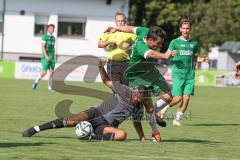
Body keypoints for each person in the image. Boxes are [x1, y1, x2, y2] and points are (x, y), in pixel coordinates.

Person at [23, 59, 150, 142]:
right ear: (134, 91)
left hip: (106, 126)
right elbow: (106, 81)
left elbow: (137, 123)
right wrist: (101, 67)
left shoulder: (139, 107)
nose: (137, 99)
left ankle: (91, 137)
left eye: (140, 98)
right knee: (71, 121)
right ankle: (36, 129)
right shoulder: (124, 90)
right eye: (136, 96)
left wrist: (143, 138)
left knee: (122, 135)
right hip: (96, 112)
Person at [104, 25, 176, 140]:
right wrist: (164, 55)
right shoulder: (141, 46)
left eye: (161, 44)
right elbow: (151, 54)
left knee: (168, 97)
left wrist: (115, 27)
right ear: (150, 40)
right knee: (148, 107)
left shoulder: (146, 31)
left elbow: (130, 28)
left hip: (150, 71)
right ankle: (155, 132)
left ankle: (154, 115)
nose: (159, 46)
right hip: (136, 76)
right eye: (157, 44)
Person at [156, 18, 209, 127]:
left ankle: (177, 119)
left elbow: (194, 58)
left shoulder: (194, 43)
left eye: (187, 28)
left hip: (190, 75)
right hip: (178, 74)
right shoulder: (175, 42)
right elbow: (166, 55)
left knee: (187, 98)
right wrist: (171, 54)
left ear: (190, 29)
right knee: (177, 98)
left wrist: (203, 60)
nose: (185, 30)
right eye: (183, 28)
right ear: (180, 29)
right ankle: (164, 109)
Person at [98, 12, 136, 85]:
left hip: (126, 63)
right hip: (113, 63)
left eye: (122, 21)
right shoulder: (110, 32)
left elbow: (139, 42)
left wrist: (130, 46)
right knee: (116, 87)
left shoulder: (129, 33)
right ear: (115, 22)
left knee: (125, 88)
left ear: (125, 21)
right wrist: (108, 42)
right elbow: (99, 44)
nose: (120, 23)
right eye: (118, 21)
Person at [32, 24, 56, 91]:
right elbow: (43, 47)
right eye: (51, 28)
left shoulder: (53, 38)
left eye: (53, 28)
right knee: (44, 72)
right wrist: (46, 56)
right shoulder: (44, 37)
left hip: (52, 57)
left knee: (52, 72)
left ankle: (49, 87)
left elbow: (53, 48)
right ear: (48, 29)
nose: (52, 29)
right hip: (45, 56)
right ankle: (36, 81)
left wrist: (53, 56)